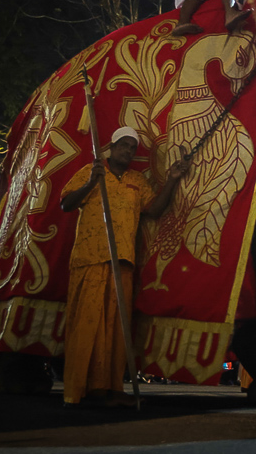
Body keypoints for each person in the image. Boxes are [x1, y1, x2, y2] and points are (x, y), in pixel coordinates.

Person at [59, 125, 191, 407]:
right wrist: (91, 183)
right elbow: (66, 205)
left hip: (123, 261)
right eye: (124, 145)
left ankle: (109, 388)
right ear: (112, 146)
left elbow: (153, 210)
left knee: (117, 330)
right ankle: (81, 387)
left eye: (132, 148)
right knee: (88, 326)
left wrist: (173, 180)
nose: (128, 151)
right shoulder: (91, 171)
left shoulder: (136, 180)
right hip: (90, 258)